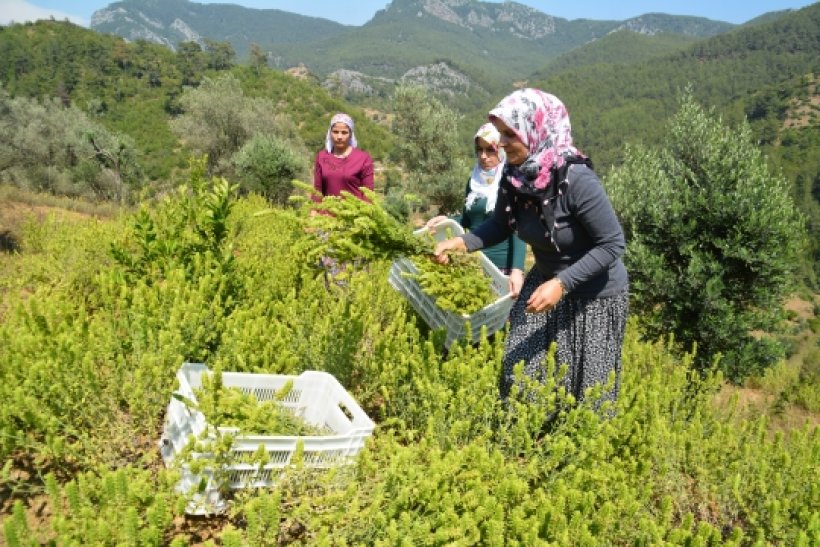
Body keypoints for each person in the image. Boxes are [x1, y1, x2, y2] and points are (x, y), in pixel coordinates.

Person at [434, 89, 629, 411]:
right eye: (500, 134)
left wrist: (563, 283)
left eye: (510, 134)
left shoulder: (576, 180)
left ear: (536, 131)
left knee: (586, 394)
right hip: (546, 283)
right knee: (519, 373)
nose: (500, 143)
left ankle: (574, 454)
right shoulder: (513, 178)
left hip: (595, 295)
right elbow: (501, 224)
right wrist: (462, 242)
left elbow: (612, 244)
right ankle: (523, 446)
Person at [426, 123, 526, 297]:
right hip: (474, 263)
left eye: (490, 150)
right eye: (479, 150)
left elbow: (518, 228)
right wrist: (447, 220)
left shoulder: (511, 181)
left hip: (502, 268)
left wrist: (517, 270)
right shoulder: (474, 181)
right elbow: (468, 221)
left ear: (501, 149)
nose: (483, 156)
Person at [312, 112, 374, 204]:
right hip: (326, 215)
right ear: (330, 133)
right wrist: (314, 212)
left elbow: (368, 194)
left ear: (350, 134)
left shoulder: (363, 159)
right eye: (335, 132)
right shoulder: (322, 157)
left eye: (344, 132)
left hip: (353, 215)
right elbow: (317, 191)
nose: (339, 136)